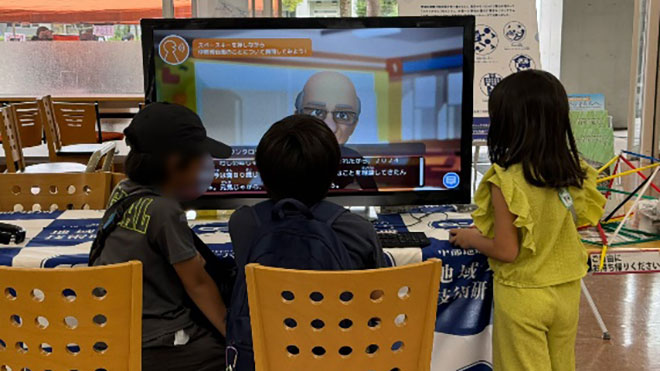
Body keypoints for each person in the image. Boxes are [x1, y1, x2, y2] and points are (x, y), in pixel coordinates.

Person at [449, 70, 606, 371]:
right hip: (566, 291)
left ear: (509, 124)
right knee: (562, 364)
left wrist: (471, 239)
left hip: (523, 296)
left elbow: (508, 250)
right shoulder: (573, 172)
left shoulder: (506, 181)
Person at [227, 114, 386, 370]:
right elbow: (377, 301)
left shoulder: (243, 224)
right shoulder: (358, 230)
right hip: (340, 358)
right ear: (333, 172)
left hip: (265, 357)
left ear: (263, 172)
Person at [91, 102, 232, 371]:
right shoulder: (165, 211)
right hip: (160, 340)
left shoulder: (123, 190)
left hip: (114, 330)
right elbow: (198, 284)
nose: (206, 165)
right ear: (174, 162)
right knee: (230, 356)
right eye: (201, 157)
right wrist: (232, 334)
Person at [295, 71, 378, 190]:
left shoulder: (355, 160)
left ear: (354, 125)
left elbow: (373, 198)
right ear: (296, 118)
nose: (331, 127)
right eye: (316, 112)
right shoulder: (282, 157)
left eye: (343, 115)